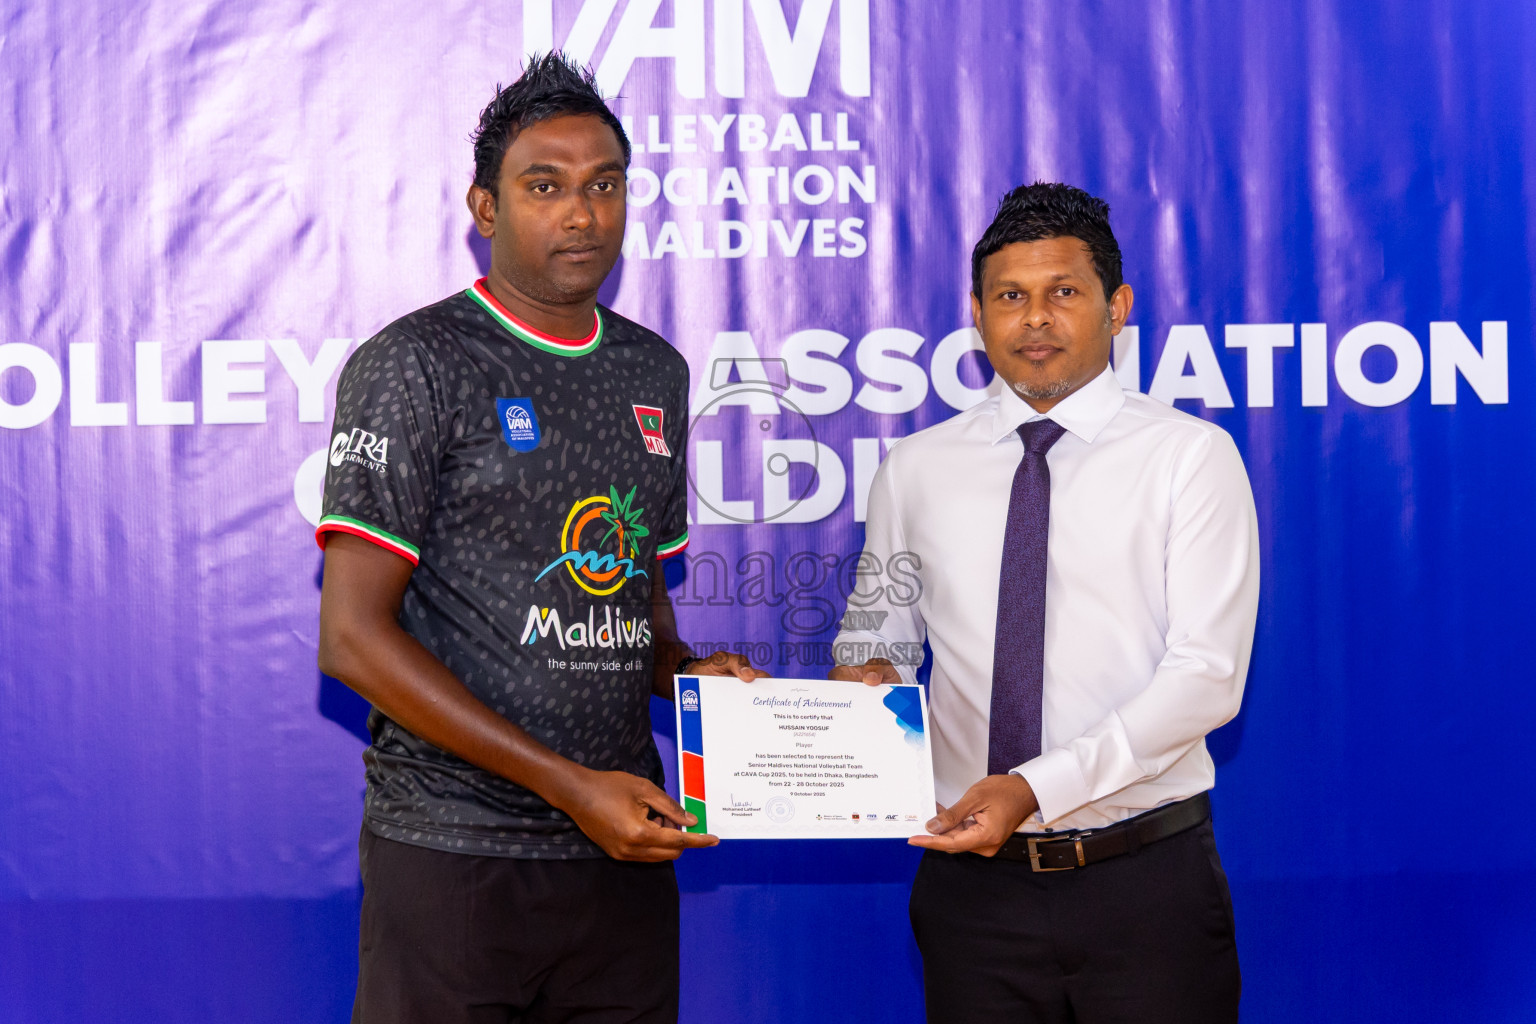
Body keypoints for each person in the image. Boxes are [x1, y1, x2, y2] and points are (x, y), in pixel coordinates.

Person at [316, 53, 757, 1024]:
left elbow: (634, 594)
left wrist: (686, 676)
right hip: (457, 854)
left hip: (622, 852)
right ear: (486, 207)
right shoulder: (416, 362)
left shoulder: (655, 371)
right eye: (545, 186)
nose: (582, 214)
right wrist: (569, 786)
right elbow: (350, 639)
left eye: (604, 185)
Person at [831, 182, 1259, 1023]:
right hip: (971, 896)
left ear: (1117, 307)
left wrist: (1033, 788)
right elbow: (879, 636)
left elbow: (1207, 677)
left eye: (1063, 292)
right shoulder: (914, 470)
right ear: (977, 314)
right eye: (1010, 297)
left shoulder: (1189, 458)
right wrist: (863, 683)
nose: (1035, 319)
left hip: (1144, 888)